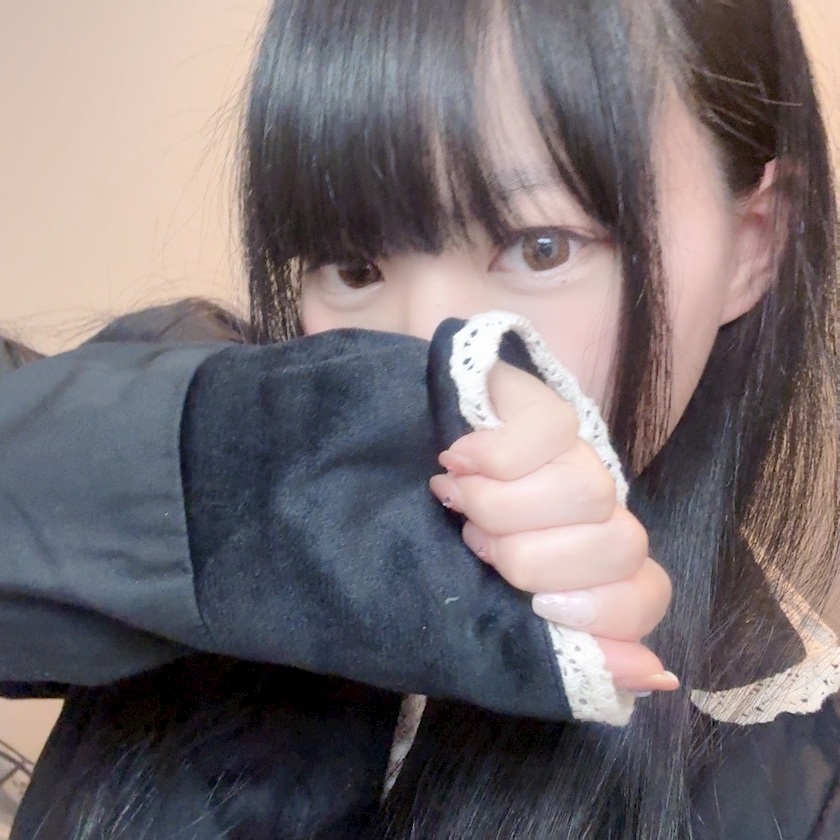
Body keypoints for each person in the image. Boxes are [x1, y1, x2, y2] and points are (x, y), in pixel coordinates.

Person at [4, 0, 840, 837]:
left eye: (542, 248)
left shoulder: (789, 779)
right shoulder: (208, 417)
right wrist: (252, 496)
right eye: (351, 265)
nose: (423, 357)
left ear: (752, 242)